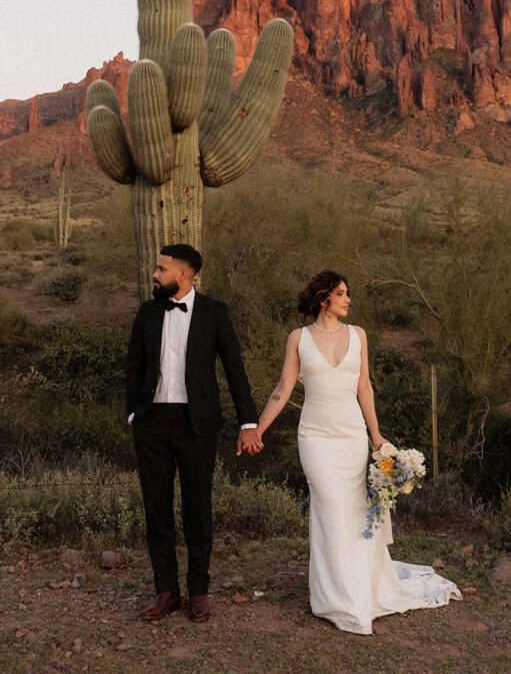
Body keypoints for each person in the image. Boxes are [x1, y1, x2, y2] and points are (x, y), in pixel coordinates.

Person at [256, 270, 461, 635]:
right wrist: (258, 429)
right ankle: (336, 596)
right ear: (324, 300)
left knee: (353, 511)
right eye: (341, 293)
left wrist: (377, 434)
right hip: (316, 438)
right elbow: (283, 388)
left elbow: (364, 386)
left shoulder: (358, 336)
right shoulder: (298, 339)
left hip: (352, 437)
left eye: (348, 293)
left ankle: (359, 588)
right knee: (330, 507)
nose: (348, 299)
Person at [126, 244, 262, 623]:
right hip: (152, 422)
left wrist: (247, 422)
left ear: (183, 274)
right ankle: (165, 591)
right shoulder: (148, 311)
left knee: (197, 508)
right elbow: (133, 365)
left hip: (197, 424)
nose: (155, 274)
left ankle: (199, 592)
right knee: (156, 509)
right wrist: (133, 413)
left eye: (161, 268)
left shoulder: (215, 312)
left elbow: (234, 368)